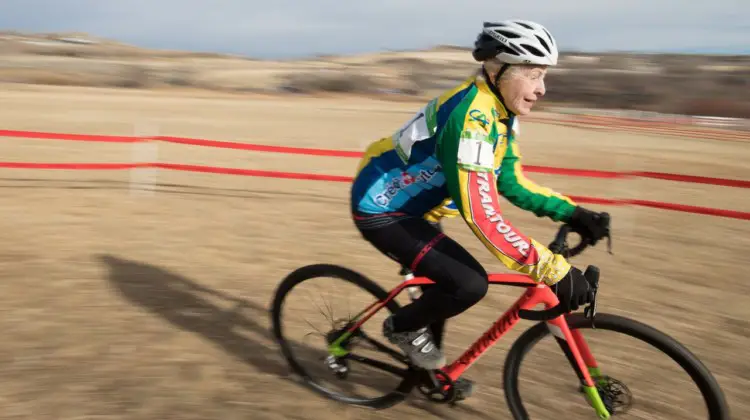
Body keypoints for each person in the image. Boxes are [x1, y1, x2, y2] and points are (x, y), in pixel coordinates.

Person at [349, 19, 610, 399]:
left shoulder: (500, 113)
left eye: (544, 76)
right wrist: (552, 268)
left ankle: (432, 378)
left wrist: (572, 213)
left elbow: (511, 184)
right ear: (497, 69)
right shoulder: (472, 119)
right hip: (383, 208)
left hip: (422, 209)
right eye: (534, 75)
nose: (541, 89)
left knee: (446, 287)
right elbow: (482, 217)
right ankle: (402, 326)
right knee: (468, 283)